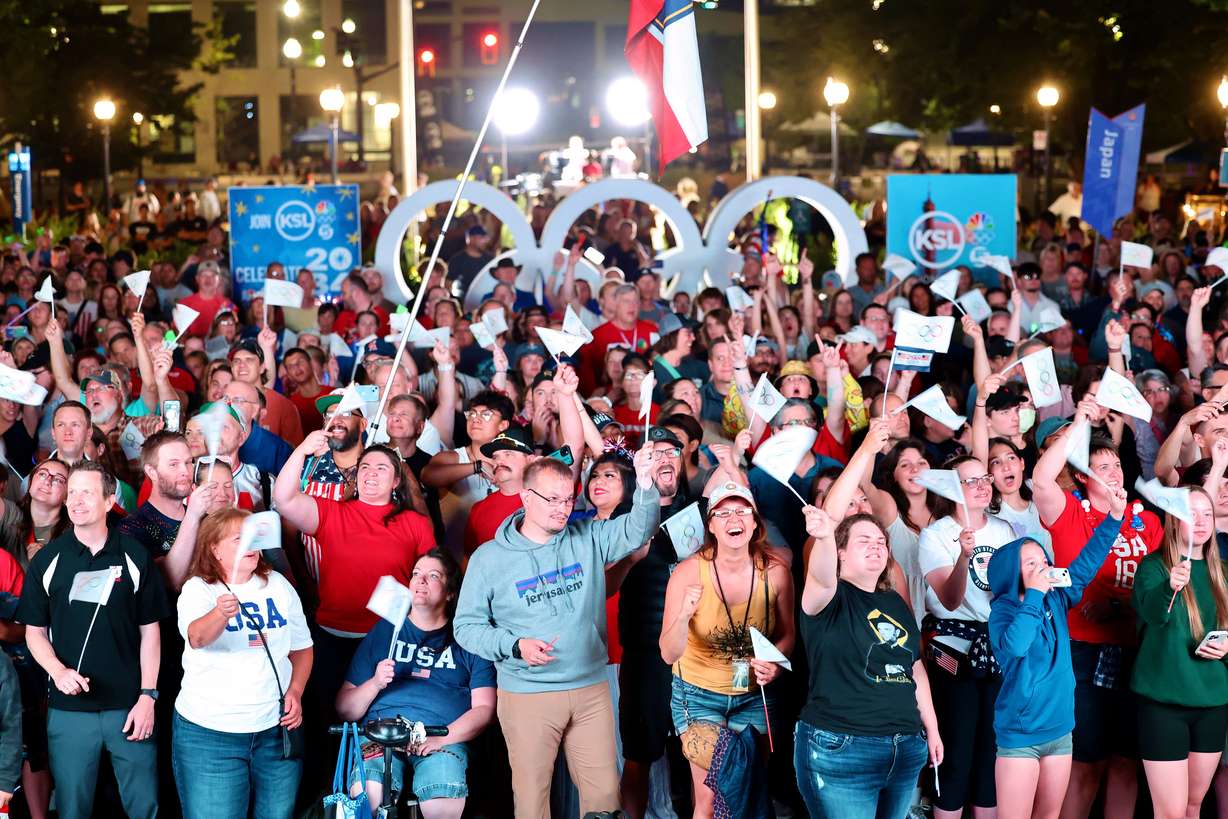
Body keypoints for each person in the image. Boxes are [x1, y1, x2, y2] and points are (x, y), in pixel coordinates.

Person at [453, 448, 660, 818]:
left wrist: (644, 484)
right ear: (526, 496)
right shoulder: (489, 558)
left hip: (591, 687)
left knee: (605, 798)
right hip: (528, 694)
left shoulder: (588, 535)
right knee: (533, 800)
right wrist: (514, 646)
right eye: (552, 499)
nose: (563, 509)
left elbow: (637, 530)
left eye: (568, 499)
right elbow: (465, 628)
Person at [16, 461, 169, 819]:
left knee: (144, 805)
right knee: (72, 809)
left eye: (86, 492)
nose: (76, 501)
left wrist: (148, 696)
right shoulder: (49, 559)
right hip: (69, 712)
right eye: (72, 493)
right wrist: (58, 671)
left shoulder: (134, 555)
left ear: (110, 498)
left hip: (130, 707)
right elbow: (34, 632)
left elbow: (151, 632)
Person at [987, 487, 1127, 819]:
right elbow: (1016, 646)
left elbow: (1085, 564)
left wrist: (1115, 518)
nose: (1043, 567)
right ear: (1012, 572)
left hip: (1061, 731)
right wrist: (1034, 595)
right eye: (1031, 563)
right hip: (1020, 736)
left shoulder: (1056, 598)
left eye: (1044, 560)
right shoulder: (1003, 612)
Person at [794, 507, 942, 819]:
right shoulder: (828, 596)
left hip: (904, 748)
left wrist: (931, 728)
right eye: (864, 540)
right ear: (841, 553)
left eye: (880, 540)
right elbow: (821, 570)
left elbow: (913, 667)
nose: (876, 545)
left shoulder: (894, 603)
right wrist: (823, 537)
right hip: (843, 749)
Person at [660, 481, 795, 817]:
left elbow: (788, 635)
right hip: (699, 693)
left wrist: (775, 664)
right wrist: (682, 617)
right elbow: (668, 653)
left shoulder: (776, 572)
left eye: (742, 511)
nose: (733, 518)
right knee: (709, 797)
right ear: (711, 524)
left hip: (753, 694)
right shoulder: (689, 572)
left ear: (754, 522)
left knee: (745, 792)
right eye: (724, 512)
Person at [273, 434, 435, 713]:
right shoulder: (331, 513)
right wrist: (302, 450)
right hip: (331, 637)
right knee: (327, 725)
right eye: (365, 467)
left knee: (378, 720)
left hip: (387, 640)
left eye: (381, 468)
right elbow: (284, 499)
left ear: (396, 481)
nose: (371, 473)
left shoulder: (415, 523)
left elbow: (430, 578)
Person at [173, 508, 313, 819]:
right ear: (214, 548)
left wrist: (297, 691)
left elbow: (302, 647)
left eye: (254, 537)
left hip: (275, 731)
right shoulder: (198, 589)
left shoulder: (277, 584)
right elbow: (197, 637)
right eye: (239, 539)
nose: (251, 545)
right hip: (211, 734)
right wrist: (220, 614)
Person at [337, 549, 496, 818]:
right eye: (416, 574)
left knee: (440, 799)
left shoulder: (469, 636)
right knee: (370, 796)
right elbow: (345, 708)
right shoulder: (386, 630)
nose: (420, 581)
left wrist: (441, 737)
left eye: (433, 576)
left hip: (443, 735)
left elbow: (485, 709)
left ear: (450, 592)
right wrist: (374, 683)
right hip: (382, 733)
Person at [918, 454, 1016, 819]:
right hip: (953, 648)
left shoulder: (1004, 530)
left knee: (992, 748)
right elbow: (949, 598)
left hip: (997, 645)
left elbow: (1010, 592)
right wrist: (964, 556)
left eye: (985, 478)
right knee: (957, 747)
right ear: (950, 489)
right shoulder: (936, 533)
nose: (982, 486)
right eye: (970, 481)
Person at [1131, 487, 1228, 819]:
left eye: (1206, 514)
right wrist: (1169, 588)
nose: (1200, 522)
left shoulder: (1223, 572)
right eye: (1191, 514)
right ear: (1174, 520)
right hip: (1163, 704)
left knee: (1192, 805)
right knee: (1170, 811)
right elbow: (1152, 617)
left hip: (1212, 703)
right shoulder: (1154, 567)